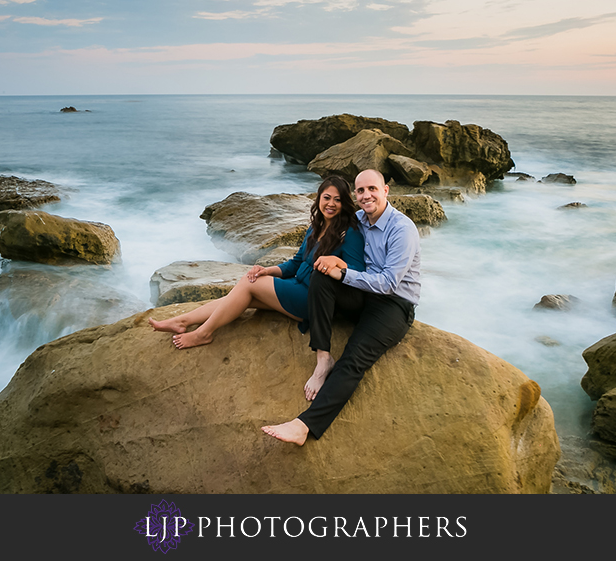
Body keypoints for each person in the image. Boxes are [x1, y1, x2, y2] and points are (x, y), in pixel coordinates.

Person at [262, 168, 421, 445]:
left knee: (353, 359)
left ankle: (304, 426)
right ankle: (323, 358)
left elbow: (387, 283)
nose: (366, 195)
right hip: (361, 294)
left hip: (393, 304)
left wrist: (343, 271)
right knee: (322, 278)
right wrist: (333, 263)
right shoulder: (357, 220)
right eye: (360, 191)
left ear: (385, 190)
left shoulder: (401, 229)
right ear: (355, 196)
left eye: (372, 188)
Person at [149, 175, 365, 353]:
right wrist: (267, 270)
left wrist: (336, 261)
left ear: (345, 203)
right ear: (319, 199)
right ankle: (183, 321)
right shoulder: (315, 227)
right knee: (239, 298)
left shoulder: (350, 232)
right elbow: (296, 263)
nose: (331, 204)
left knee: (248, 284)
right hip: (297, 287)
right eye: (327, 197)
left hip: (313, 300)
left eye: (338, 200)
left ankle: (203, 333)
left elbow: (357, 273)